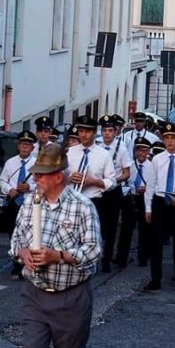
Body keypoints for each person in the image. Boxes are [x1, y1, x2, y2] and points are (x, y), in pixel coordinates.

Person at [9, 143, 101, 348]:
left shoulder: (82, 206)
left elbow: (94, 250)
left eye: (41, 174)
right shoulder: (29, 204)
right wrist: (23, 253)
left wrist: (58, 255)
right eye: (36, 173)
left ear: (58, 177)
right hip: (35, 293)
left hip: (71, 293)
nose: (35, 178)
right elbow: (15, 242)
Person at [143, 122, 175, 290]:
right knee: (155, 243)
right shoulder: (157, 159)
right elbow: (150, 185)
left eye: (173, 138)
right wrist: (148, 208)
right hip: (160, 202)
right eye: (167, 138)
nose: (170, 141)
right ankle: (155, 279)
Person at [67, 115, 116, 272]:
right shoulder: (70, 153)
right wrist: (69, 178)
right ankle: (73, 263)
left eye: (87, 131)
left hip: (94, 201)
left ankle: (90, 265)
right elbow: (58, 177)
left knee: (92, 236)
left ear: (95, 133)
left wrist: (93, 181)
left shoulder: (103, 154)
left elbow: (111, 181)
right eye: (81, 131)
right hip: (73, 199)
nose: (83, 135)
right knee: (72, 234)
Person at [0, 130, 37, 279]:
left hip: (30, 203)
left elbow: (42, 185)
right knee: (13, 233)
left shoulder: (37, 164)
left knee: (30, 234)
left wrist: (30, 187)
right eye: (22, 144)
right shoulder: (10, 162)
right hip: (14, 203)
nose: (24, 147)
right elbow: (2, 180)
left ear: (32, 148)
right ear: (18, 146)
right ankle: (16, 264)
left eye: (28, 145)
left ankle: (28, 264)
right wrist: (9, 190)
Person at [98, 115, 132, 270]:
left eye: (110, 130)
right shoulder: (97, 147)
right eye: (104, 130)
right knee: (99, 225)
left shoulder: (121, 148)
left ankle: (107, 258)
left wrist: (113, 180)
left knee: (112, 226)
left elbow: (126, 173)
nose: (107, 134)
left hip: (113, 190)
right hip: (98, 189)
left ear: (115, 132)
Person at [116, 137, 153, 268]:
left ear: (148, 151)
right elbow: (125, 181)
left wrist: (147, 188)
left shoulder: (152, 167)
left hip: (144, 199)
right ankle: (121, 258)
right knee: (126, 229)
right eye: (139, 150)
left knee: (145, 230)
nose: (141, 153)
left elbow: (156, 185)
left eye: (144, 150)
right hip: (131, 198)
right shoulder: (130, 165)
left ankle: (143, 258)